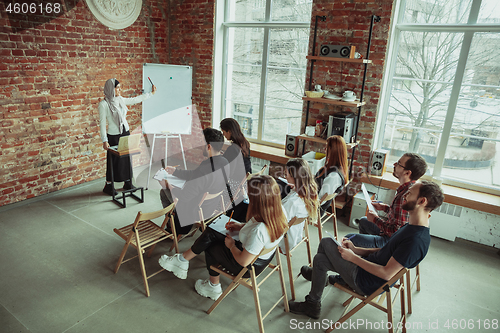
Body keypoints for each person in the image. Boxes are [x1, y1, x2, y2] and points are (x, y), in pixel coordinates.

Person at [289, 180, 444, 319]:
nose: (405, 196)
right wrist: (356, 250)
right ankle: (313, 300)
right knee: (319, 260)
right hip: (366, 268)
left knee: (326, 242)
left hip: (365, 281)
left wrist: (353, 258)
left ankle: (317, 282)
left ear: (422, 201)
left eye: (410, 194)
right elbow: (385, 250)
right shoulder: (412, 225)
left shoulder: (415, 240)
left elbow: (386, 273)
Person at [158, 175, 288, 301]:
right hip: (260, 256)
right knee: (212, 231)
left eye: (249, 195)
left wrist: (231, 246)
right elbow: (256, 230)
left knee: (211, 245)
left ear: (258, 199)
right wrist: (241, 226)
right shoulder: (279, 210)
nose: (246, 196)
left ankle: (212, 286)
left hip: (247, 266)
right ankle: (183, 260)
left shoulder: (259, 231)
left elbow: (243, 261)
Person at [345, 153, 428, 248]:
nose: (394, 164)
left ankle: (375, 255)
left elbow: (395, 232)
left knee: (348, 239)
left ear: (407, 173)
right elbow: (399, 217)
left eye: (398, 164)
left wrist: (375, 219)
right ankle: (368, 254)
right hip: (391, 234)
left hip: (392, 241)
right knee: (364, 221)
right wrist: (385, 208)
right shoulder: (407, 188)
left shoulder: (405, 196)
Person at [159, 128, 230, 235]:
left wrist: (168, 185)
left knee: (163, 192)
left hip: (196, 210)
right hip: (211, 206)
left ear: (209, 146)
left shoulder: (205, 169)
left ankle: (172, 226)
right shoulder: (225, 162)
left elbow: (184, 196)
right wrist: (175, 172)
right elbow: (195, 174)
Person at [99, 78, 156, 195]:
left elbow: (135, 99)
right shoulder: (103, 104)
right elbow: (102, 124)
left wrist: (151, 94)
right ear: (111, 88)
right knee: (113, 160)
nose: (120, 89)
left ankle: (127, 182)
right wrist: (104, 140)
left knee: (126, 158)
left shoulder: (120, 100)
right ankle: (108, 185)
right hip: (113, 136)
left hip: (125, 132)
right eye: (118, 87)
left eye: (120, 87)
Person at [278, 158, 319, 253]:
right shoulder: (309, 193)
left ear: (295, 177)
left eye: (286, 174)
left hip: (284, 242)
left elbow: (277, 224)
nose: (286, 177)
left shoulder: (292, 202)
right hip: (295, 237)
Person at [315, 135, 348, 212]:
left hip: (313, 208)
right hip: (309, 195)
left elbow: (319, 200)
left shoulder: (334, 176)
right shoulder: (334, 167)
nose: (325, 149)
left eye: (327, 147)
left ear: (333, 151)